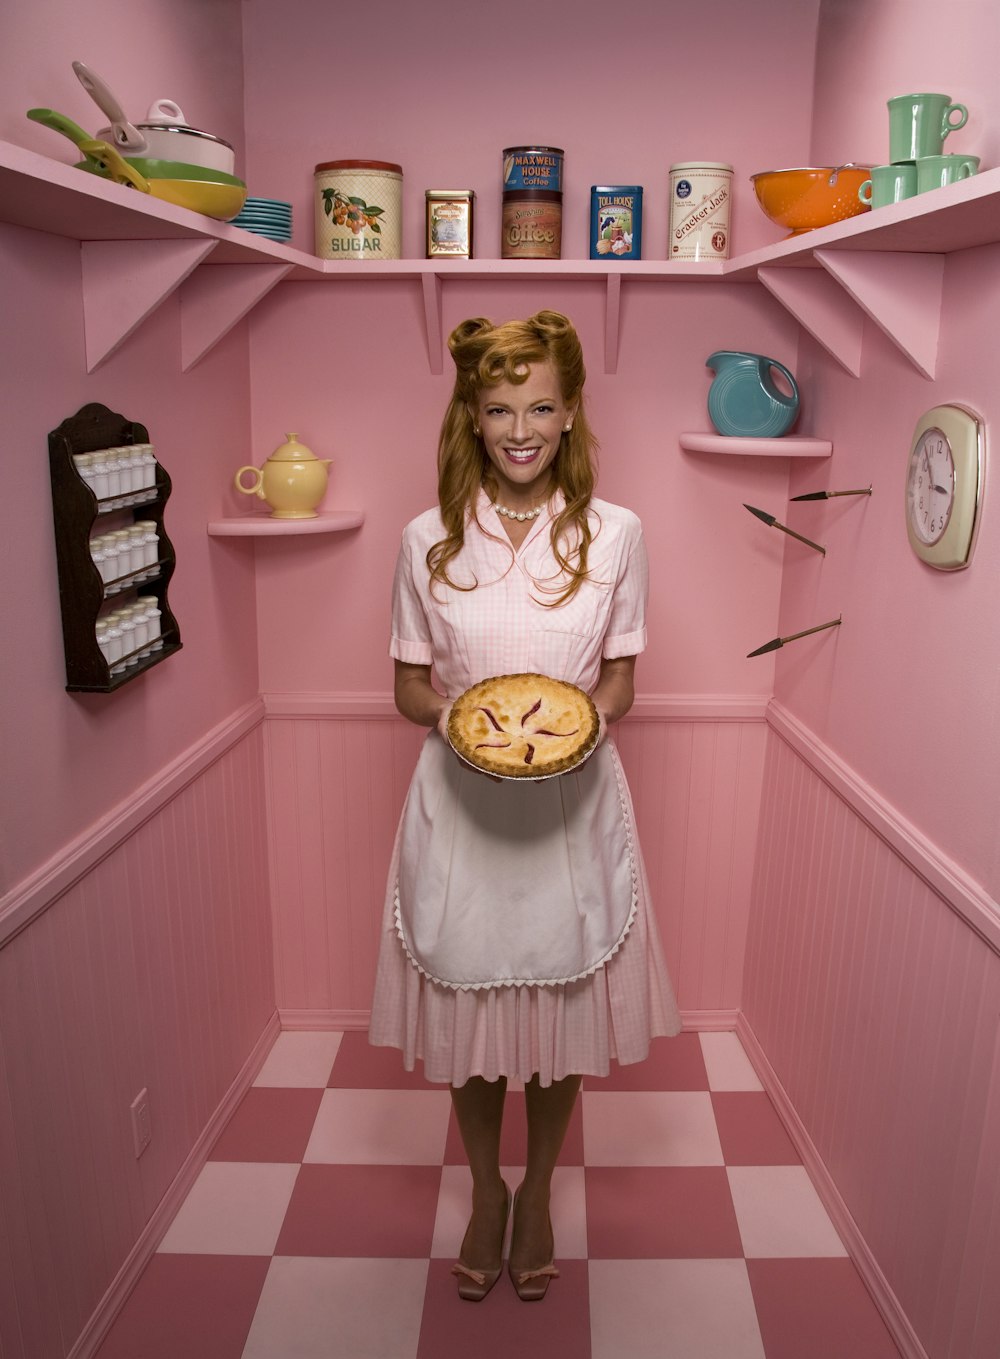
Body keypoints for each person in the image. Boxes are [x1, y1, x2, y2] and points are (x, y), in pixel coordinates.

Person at [369, 309, 681, 1302]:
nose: (520, 429)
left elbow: (622, 685)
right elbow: (408, 690)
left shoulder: (615, 531)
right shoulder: (427, 537)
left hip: (570, 808)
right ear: (470, 412)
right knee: (469, 1014)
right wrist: (460, 711)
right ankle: (487, 1191)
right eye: (499, 407)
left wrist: (572, 719)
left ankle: (540, 1190)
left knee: (554, 1013)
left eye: (541, 406)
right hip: (458, 810)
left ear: (570, 411)